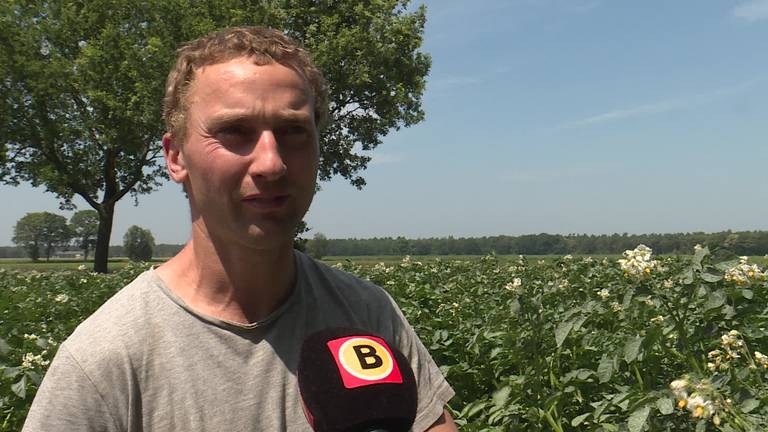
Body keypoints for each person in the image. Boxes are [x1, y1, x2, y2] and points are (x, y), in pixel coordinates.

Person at [23, 26, 456, 431]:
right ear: (175, 158)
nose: (271, 163)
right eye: (234, 131)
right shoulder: (105, 363)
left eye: (293, 131)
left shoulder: (368, 314)